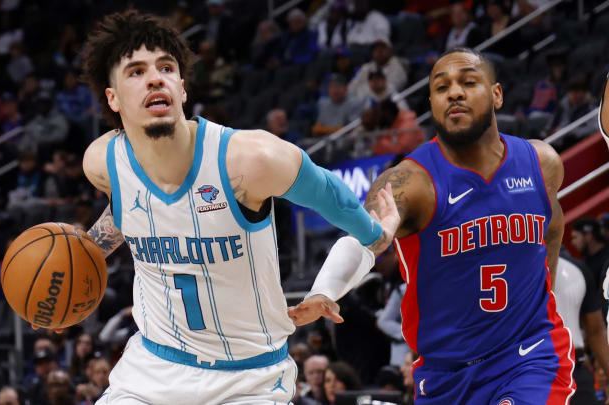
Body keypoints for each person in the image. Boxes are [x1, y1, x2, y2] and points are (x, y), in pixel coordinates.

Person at [42, 9, 398, 405]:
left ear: (181, 88)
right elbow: (132, 211)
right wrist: (74, 272)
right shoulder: (103, 162)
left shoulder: (251, 160)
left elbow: (335, 197)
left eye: (165, 67)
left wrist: (374, 235)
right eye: (136, 72)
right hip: (151, 371)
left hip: (249, 379)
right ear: (113, 99)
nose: (155, 77)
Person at [290, 48, 575, 403]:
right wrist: (324, 290)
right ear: (432, 103)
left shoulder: (541, 162)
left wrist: (539, 295)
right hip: (445, 374)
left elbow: (552, 228)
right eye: (442, 88)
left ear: (497, 94)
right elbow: (364, 238)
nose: (454, 92)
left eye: (468, 82)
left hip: (528, 357)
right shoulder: (410, 182)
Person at [554, 255, 609, 404]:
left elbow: (596, 331)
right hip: (529, 371)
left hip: (575, 369)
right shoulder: (518, 267)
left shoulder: (576, 269)